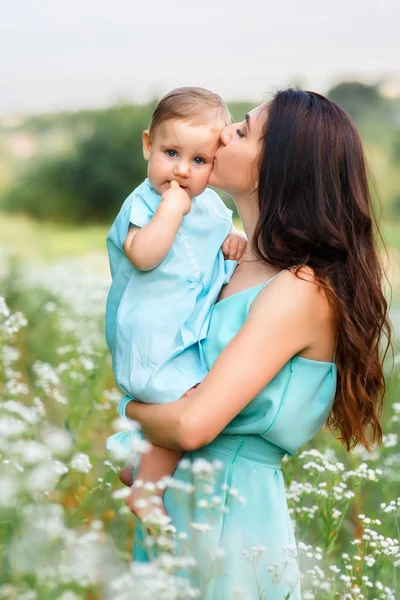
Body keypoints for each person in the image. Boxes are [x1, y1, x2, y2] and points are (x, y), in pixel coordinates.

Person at [118, 88, 392, 599]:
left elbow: (193, 423)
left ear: (279, 167)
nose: (223, 133)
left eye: (242, 130)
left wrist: (130, 407)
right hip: (177, 498)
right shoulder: (231, 261)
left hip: (229, 519)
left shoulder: (301, 289)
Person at [105, 87, 247, 525]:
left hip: (187, 334)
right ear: (148, 145)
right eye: (170, 152)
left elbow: (204, 266)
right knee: (186, 402)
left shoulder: (214, 210)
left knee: (191, 396)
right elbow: (144, 254)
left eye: (199, 160)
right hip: (149, 336)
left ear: (213, 164)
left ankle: (140, 467)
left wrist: (231, 246)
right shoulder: (145, 203)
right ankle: (146, 492)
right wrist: (170, 209)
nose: (182, 171)